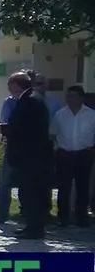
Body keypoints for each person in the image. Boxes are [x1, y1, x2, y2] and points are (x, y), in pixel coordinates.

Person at [0, 71, 53, 239]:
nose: (8, 87)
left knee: (31, 192)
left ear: (17, 85)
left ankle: (35, 228)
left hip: (31, 156)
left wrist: (1, 128)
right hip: (32, 156)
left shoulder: (30, 100)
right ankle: (32, 225)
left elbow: (22, 128)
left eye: (10, 84)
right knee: (29, 192)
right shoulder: (31, 98)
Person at [49, 85, 94, 226]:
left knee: (83, 186)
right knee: (64, 187)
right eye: (68, 96)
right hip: (65, 154)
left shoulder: (91, 114)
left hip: (84, 153)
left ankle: (81, 217)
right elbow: (52, 133)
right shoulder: (60, 114)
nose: (70, 99)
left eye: (74, 96)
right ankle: (62, 217)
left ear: (81, 98)